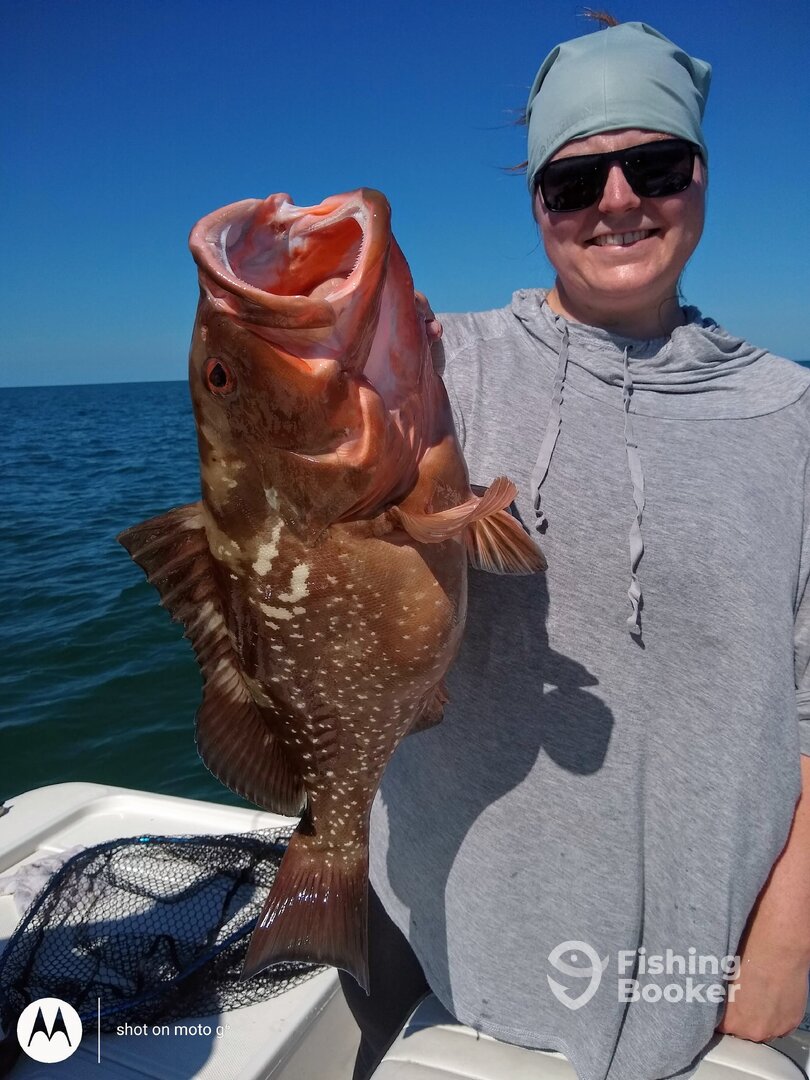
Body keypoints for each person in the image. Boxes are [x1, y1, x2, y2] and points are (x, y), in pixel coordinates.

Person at [340, 18, 810, 1080]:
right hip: (430, 927)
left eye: (657, 166)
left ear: (701, 174)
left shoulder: (793, 414)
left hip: (707, 957)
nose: (618, 201)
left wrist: (789, 933)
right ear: (538, 204)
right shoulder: (439, 369)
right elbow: (307, 513)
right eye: (574, 180)